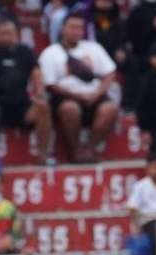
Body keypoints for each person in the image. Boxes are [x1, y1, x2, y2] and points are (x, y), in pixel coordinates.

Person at [38, 13, 119, 163]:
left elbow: (109, 73)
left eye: (80, 28)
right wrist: (77, 96)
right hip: (65, 97)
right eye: (72, 27)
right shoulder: (50, 53)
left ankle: (88, 149)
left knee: (110, 109)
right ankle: (75, 151)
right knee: (70, 109)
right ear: (63, 29)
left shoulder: (94, 48)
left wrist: (98, 93)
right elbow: (50, 84)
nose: (77, 31)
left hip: (94, 95)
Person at [0, 16, 53, 165]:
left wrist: (40, 93)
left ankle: (43, 155)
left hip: (21, 107)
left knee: (43, 107)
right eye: (2, 33)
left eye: (10, 32)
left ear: (16, 34)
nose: (6, 36)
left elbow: (36, 73)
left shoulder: (25, 51)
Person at [123, 0, 156, 110]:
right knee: (132, 64)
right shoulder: (136, 12)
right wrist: (152, 26)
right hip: (142, 53)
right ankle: (131, 106)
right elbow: (133, 40)